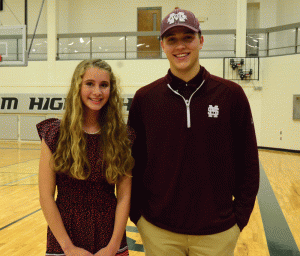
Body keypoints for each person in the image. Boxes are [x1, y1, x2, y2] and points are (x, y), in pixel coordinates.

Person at [128, 8, 259, 256]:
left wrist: (238, 219)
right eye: (172, 39)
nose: (180, 46)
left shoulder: (231, 95)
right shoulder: (145, 99)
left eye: (187, 37)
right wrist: (138, 216)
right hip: (159, 232)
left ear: (200, 40)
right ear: (162, 46)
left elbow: (249, 162)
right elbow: (133, 163)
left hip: (217, 233)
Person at [37, 59, 134, 256]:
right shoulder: (55, 134)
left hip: (110, 235)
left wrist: (113, 247)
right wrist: (68, 248)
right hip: (65, 236)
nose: (97, 92)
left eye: (104, 85)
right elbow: (46, 196)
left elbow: (124, 196)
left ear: (111, 90)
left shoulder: (122, 136)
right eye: (89, 84)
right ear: (77, 87)